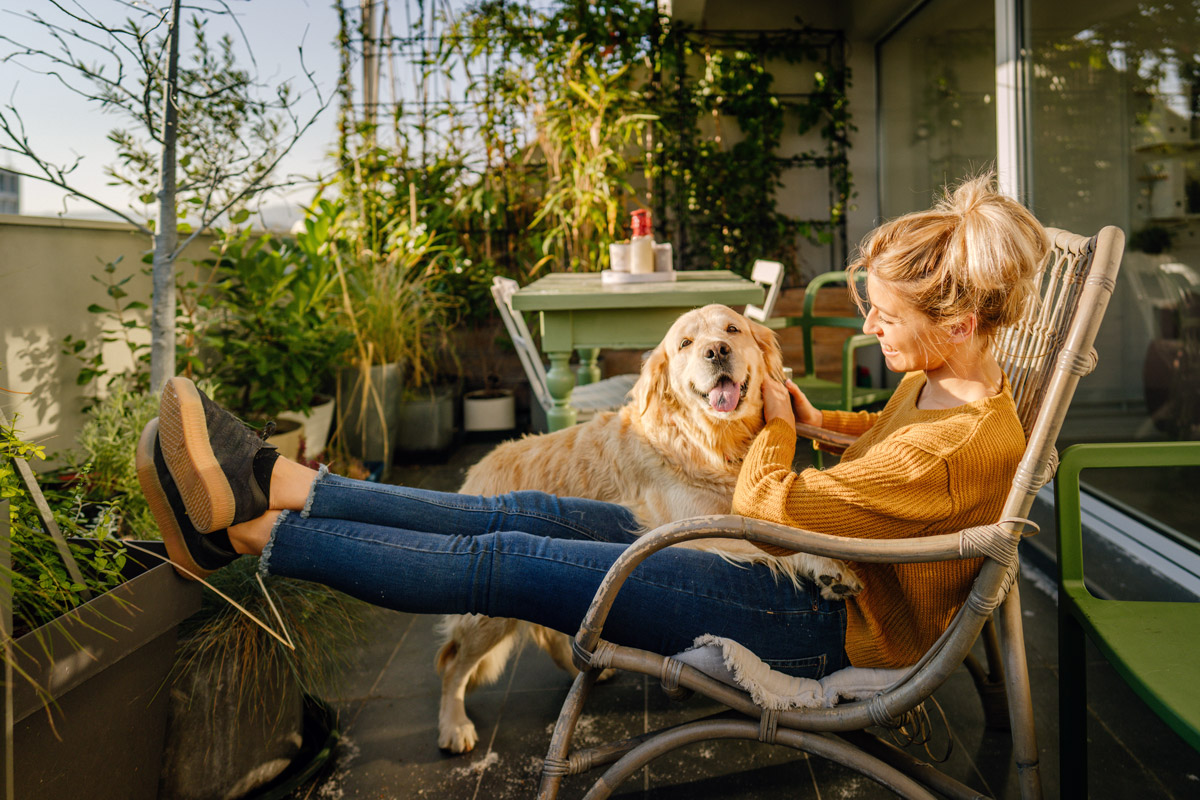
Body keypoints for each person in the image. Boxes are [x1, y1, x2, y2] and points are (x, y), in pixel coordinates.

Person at [137, 174, 1046, 677]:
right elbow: (885, 443)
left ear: (959, 321)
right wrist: (818, 418)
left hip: (806, 616)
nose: (870, 328)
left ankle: (253, 533)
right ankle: (281, 479)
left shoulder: (961, 439)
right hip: (766, 562)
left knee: (509, 567)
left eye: (886, 316)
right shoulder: (954, 385)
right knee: (513, 514)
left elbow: (777, 510)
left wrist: (774, 423)